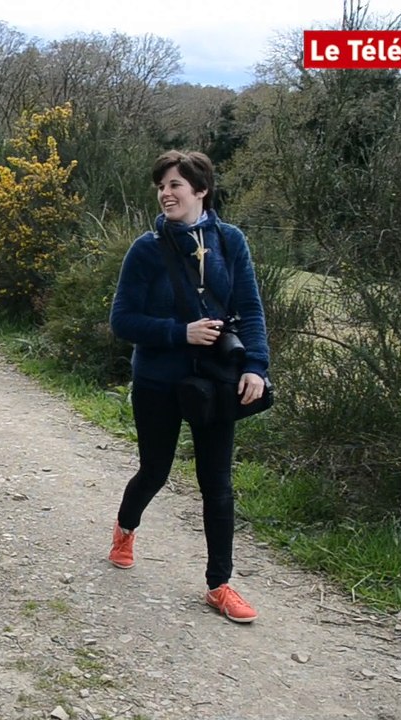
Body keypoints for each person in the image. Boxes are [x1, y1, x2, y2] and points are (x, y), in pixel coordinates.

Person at [107, 150, 269, 624]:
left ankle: (219, 585)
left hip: (215, 382)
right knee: (154, 470)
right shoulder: (146, 249)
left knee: (216, 483)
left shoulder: (230, 241)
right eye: (161, 186)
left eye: (175, 184)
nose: (165, 193)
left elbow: (250, 309)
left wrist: (256, 366)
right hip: (158, 381)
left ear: (201, 190)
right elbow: (122, 320)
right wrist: (181, 333)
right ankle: (125, 528)